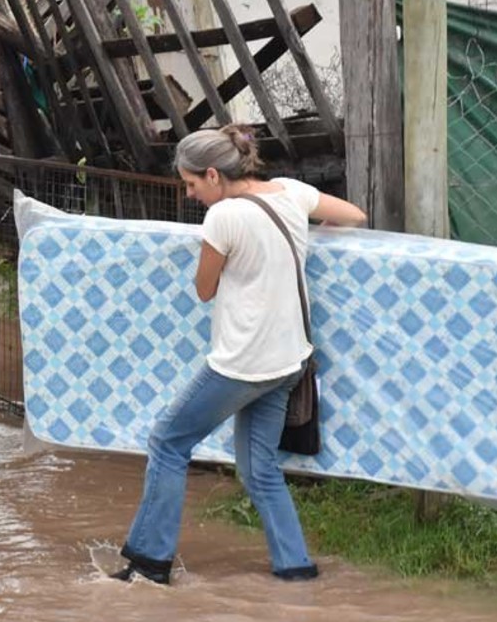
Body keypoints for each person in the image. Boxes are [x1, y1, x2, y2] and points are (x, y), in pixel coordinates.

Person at [110, 126, 367, 585]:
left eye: (191, 184)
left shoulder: (223, 217)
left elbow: (204, 289)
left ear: (213, 174)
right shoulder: (291, 193)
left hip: (242, 365)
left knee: (168, 443)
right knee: (260, 468)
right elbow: (355, 215)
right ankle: (295, 569)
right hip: (289, 361)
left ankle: (149, 563)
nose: (190, 195)